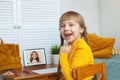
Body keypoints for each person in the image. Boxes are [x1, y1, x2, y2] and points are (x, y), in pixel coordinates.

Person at [58, 11, 94, 80]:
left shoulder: (82, 49)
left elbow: (70, 78)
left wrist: (63, 56)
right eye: (62, 26)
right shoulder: (71, 47)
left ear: (81, 29)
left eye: (71, 25)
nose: (66, 28)